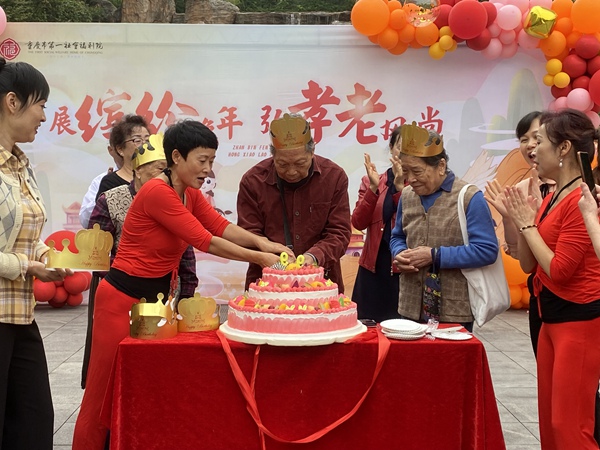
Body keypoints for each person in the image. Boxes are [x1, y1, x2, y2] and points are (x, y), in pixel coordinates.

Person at [72, 120, 290, 450]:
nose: (208, 169)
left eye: (211, 161)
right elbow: (205, 240)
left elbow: (220, 226)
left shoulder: (189, 193)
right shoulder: (157, 192)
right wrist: (260, 258)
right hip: (120, 301)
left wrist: (265, 243)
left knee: (143, 391)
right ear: (176, 157)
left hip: (156, 304)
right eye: (202, 160)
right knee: (100, 397)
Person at [504, 108, 600, 449]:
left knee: (570, 425)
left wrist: (528, 226)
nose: (533, 149)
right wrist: (521, 221)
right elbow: (528, 265)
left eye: (540, 141)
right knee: (549, 422)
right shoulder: (552, 197)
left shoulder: (581, 200)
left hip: (579, 322)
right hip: (549, 319)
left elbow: (559, 271)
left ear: (564, 148)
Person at [79, 134, 198, 388]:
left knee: (154, 376)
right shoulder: (111, 200)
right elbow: (95, 254)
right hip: (122, 295)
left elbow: (187, 252)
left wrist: (186, 297)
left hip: (164, 301)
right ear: (138, 171)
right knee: (111, 373)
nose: (166, 176)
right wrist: (130, 277)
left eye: (168, 170)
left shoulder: (179, 199)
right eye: (160, 169)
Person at [0, 58, 72, 449]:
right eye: (40, 105)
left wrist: (46, 256)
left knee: (34, 421)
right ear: (13, 102)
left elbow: (26, 234)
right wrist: (28, 267)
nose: (44, 116)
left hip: (19, 315)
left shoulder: (20, 165)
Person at [389, 122, 498, 332]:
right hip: (409, 306)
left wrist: (434, 256)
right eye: (405, 171)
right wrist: (399, 252)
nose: (410, 179)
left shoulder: (469, 197)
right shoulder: (407, 195)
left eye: (417, 171)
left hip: (453, 310)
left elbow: (486, 250)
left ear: (440, 166)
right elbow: (398, 236)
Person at [237, 113, 351, 291]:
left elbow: (339, 232)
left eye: (300, 163)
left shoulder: (334, 177)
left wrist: (313, 257)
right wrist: (275, 259)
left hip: (321, 283)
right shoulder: (253, 181)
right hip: (266, 283)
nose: (291, 172)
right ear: (273, 155)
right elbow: (248, 234)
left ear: (312, 151)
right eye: (282, 164)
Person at [485, 111, 553, 356]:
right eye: (524, 140)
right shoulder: (521, 189)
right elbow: (518, 254)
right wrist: (507, 217)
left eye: (537, 137)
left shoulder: (579, 189)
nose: (530, 145)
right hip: (539, 290)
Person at [351, 126, 405, 322]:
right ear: (391, 148)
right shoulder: (371, 180)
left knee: (402, 329)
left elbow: (413, 223)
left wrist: (400, 188)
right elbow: (358, 222)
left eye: (411, 150)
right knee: (367, 328)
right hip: (372, 267)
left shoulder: (420, 186)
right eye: (400, 147)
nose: (404, 154)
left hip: (404, 269)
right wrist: (373, 189)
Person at [95, 114, 150, 200]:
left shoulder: (157, 176)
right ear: (120, 149)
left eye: (147, 140)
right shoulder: (110, 183)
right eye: (137, 140)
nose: (144, 144)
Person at [79, 143, 123, 228]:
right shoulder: (101, 181)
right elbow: (85, 221)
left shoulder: (148, 178)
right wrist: (104, 194)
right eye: (135, 141)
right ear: (111, 150)